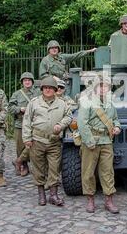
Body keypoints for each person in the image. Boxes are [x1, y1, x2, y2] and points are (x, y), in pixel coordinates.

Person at [22, 76, 72, 206]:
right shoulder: (34, 103)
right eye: (46, 88)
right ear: (42, 89)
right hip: (37, 140)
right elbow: (27, 121)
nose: (48, 90)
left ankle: (53, 195)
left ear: (55, 90)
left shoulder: (62, 103)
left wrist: (61, 125)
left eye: (51, 88)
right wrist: (27, 138)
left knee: (54, 168)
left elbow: (69, 116)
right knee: (38, 168)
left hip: (54, 141)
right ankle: (41, 194)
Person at [78, 76, 121, 214]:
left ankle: (109, 200)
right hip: (92, 141)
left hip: (107, 142)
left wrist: (117, 127)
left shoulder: (110, 104)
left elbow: (115, 119)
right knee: (88, 172)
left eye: (106, 86)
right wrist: (89, 141)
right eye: (100, 86)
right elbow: (82, 123)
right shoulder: (87, 102)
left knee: (108, 172)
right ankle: (90, 200)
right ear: (95, 88)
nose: (103, 88)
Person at [8, 72, 40, 176]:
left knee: (34, 145)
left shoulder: (38, 92)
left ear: (32, 82)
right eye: (25, 80)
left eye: (29, 80)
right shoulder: (17, 94)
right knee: (21, 146)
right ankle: (24, 165)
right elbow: (10, 108)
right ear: (22, 82)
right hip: (20, 124)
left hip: (35, 124)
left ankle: (19, 161)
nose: (27, 82)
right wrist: (20, 109)